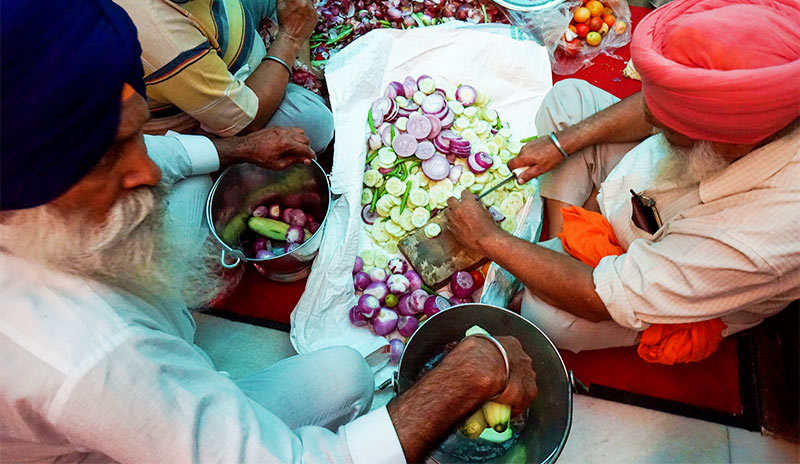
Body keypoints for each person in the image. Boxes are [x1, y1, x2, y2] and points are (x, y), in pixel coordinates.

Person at [0, 1, 537, 462]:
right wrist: (458, 382)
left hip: (148, 382)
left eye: (136, 134)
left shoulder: (28, 180)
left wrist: (235, 149)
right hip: (116, 439)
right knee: (347, 383)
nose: (144, 169)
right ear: (32, 181)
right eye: (111, 156)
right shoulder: (93, 356)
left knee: (342, 374)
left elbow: (147, 154)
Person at [445, 0, 800, 357]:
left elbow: (602, 298)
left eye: (668, 122)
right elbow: (654, 108)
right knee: (568, 102)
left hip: (668, 268)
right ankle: (562, 242)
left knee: (545, 315)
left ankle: (558, 257)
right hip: (639, 188)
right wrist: (560, 144)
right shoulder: (738, 118)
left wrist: (488, 239)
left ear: (723, 141)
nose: (651, 118)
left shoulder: (762, 235)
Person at [113, 0, 334, 153]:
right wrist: (290, 37)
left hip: (230, 25)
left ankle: (287, 60)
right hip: (217, 106)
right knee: (313, 123)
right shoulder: (161, 37)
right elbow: (247, 120)